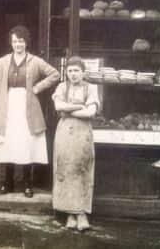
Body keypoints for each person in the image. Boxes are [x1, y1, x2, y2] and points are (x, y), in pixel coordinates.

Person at [0, 25, 60, 197]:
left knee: (26, 142)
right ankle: (7, 183)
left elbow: (54, 74)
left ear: (26, 42)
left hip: (28, 105)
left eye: (21, 41)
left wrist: (37, 88)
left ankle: (27, 184)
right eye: (15, 41)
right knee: (9, 142)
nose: (18, 44)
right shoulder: (3, 61)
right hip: (9, 105)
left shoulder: (35, 61)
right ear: (11, 43)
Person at [51, 56, 99, 231]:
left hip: (83, 133)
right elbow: (58, 107)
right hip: (64, 133)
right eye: (70, 71)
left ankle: (81, 213)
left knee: (82, 169)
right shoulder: (61, 87)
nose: (73, 74)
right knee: (65, 169)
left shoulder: (91, 88)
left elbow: (91, 112)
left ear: (83, 72)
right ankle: (70, 215)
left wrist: (69, 109)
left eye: (76, 70)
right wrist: (79, 107)